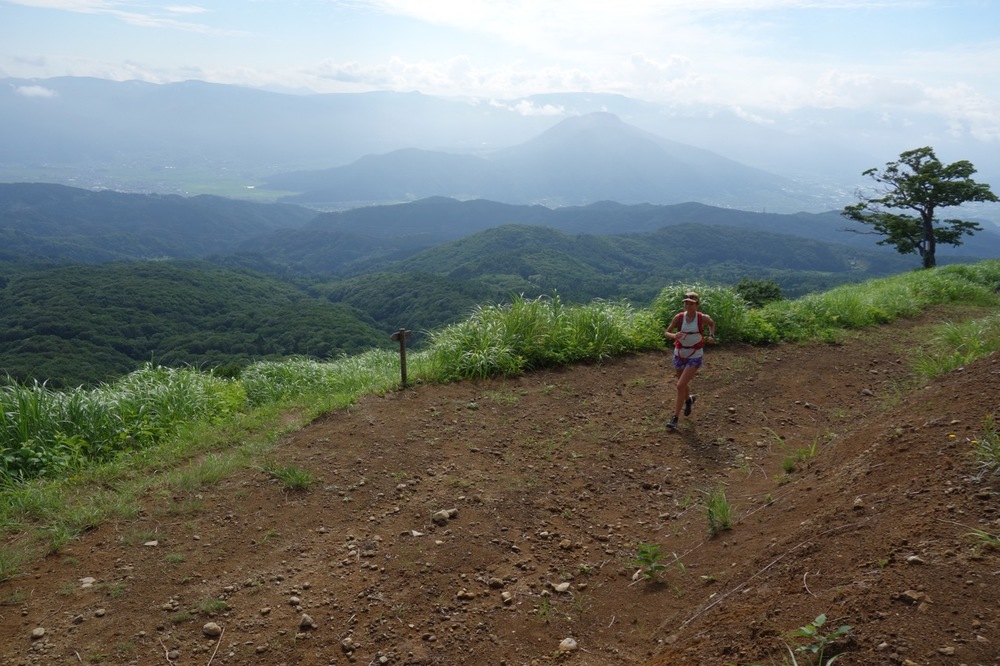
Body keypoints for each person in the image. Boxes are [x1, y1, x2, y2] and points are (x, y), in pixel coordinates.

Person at [663, 291, 716, 430]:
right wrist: (674, 335)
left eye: (691, 303)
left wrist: (711, 335)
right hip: (679, 354)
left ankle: (674, 418)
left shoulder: (702, 318)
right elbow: (666, 333)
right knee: (683, 384)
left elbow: (711, 323)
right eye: (686, 302)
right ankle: (689, 400)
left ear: (697, 304)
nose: (688, 305)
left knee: (680, 385)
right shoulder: (679, 317)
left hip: (695, 355)